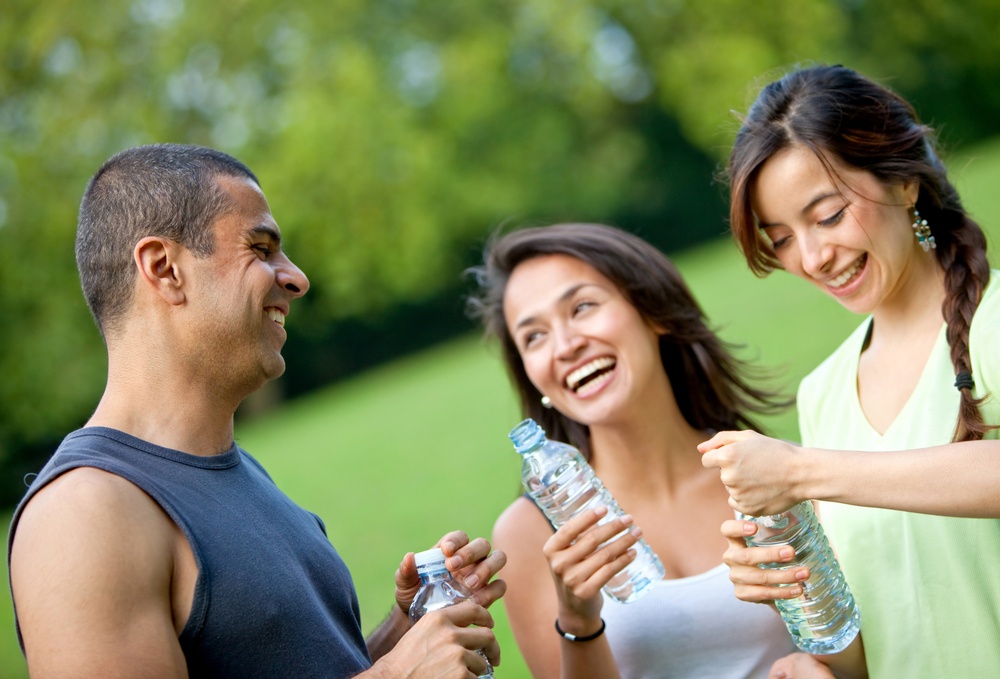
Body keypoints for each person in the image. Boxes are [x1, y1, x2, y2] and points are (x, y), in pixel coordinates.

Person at [7, 143, 506, 679]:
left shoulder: (236, 471)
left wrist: (400, 635)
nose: (296, 278)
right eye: (261, 247)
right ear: (164, 268)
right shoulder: (84, 515)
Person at [699, 64, 1000, 679]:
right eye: (780, 239)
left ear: (904, 181)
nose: (812, 258)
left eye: (829, 215)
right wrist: (812, 638)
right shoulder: (825, 394)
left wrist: (802, 471)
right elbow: (894, 623)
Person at [466, 222, 799, 679]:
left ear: (653, 311)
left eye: (582, 307)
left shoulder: (772, 469)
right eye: (534, 336)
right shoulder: (529, 535)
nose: (565, 346)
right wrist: (580, 620)